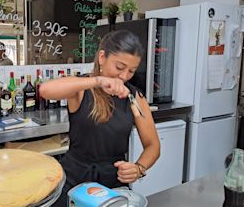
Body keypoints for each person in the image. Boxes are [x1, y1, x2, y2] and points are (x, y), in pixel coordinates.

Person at [39, 30, 160, 206]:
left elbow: (153, 145)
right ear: (102, 57)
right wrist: (98, 81)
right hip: (73, 181)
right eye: (119, 67)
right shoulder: (81, 88)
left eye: (131, 71)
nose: (124, 76)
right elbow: (45, 90)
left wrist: (139, 168)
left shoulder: (135, 97)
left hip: (113, 184)